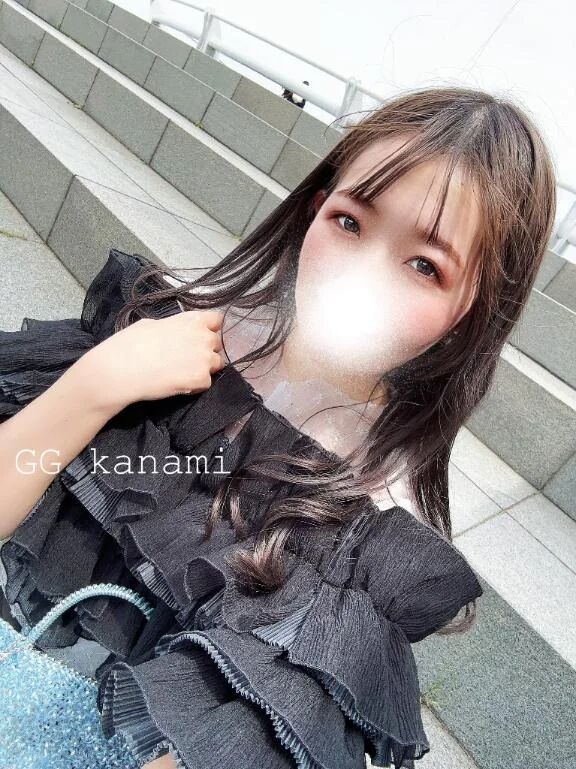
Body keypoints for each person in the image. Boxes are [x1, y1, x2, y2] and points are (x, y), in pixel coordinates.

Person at [0, 85, 556, 769]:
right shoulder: (170, 332)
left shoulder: (373, 536)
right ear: (315, 209)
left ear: (472, 306)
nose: (360, 274)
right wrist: (96, 383)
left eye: (424, 265)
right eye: (350, 222)